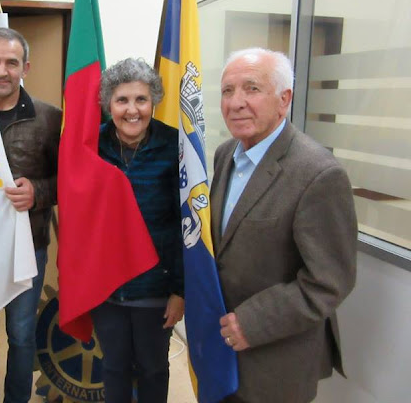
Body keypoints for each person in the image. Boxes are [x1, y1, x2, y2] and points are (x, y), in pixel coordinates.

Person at [211, 48, 357, 403]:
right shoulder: (225, 154)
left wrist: (252, 323)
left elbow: (329, 282)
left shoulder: (319, 173)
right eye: (228, 91)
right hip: (221, 352)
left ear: (284, 99)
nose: (236, 102)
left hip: (276, 364)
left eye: (252, 88)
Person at [0, 28, 62, 403]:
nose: (1, 71)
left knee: (22, 335)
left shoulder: (50, 119)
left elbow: (70, 182)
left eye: (11, 62)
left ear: (26, 67)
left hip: (28, 247)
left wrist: (38, 192)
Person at [92, 57, 184, 403]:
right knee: (113, 367)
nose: (132, 110)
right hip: (106, 287)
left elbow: (185, 225)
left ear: (154, 101)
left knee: (153, 369)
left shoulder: (175, 146)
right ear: (109, 104)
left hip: (155, 287)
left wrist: (180, 290)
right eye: (122, 100)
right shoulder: (91, 145)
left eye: (141, 99)